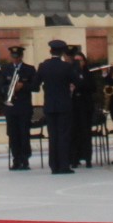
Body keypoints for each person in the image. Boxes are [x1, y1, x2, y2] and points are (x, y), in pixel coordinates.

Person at [37, 40, 77, 174]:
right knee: (63, 135)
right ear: (62, 53)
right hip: (64, 105)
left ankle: (54, 165)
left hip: (49, 105)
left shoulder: (43, 66)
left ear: (50, 51)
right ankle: (64, 165)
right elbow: (76, 81)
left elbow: (35, 85)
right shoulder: (66, 67)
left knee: (52, 136)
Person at [1, 45, 37, 170]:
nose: (15, 59)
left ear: (21, 56)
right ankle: (16, 158)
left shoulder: (29, 69)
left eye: (17, 57)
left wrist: (23, 86)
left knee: (24, 133)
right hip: (11, 108)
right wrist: (10, 88)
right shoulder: (5, 69)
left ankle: (25, 158)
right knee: (13, 134)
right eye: (13, 57)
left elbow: (35, 87)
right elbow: (0, 87)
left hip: (24, 107)